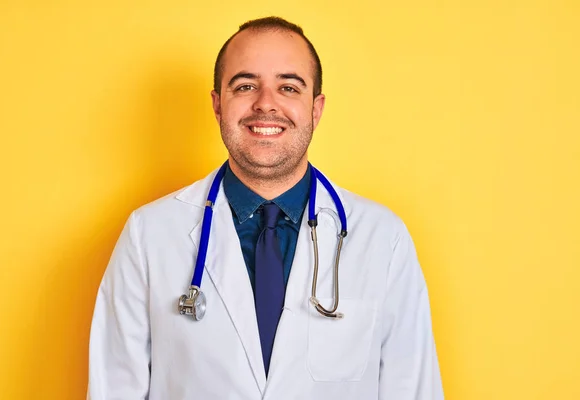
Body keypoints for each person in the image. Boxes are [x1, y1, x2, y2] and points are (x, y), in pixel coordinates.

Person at [87, 16, 444, 400]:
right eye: (245, 85)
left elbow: (415, 390)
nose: (266, 104)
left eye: (288, 87)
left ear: (316, 109)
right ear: (218, 105)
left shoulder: (382, 238)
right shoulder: (149, 235)